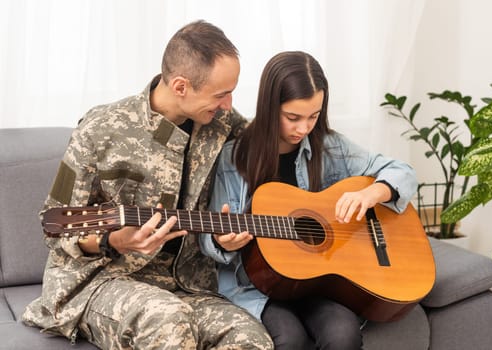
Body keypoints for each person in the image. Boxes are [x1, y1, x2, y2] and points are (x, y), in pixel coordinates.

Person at [22, 20, 273, 350]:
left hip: (185, 285)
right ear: (181, 86)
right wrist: (114, 240)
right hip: (101, 280)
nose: (228, 104)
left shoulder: (220, 122)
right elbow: (55, 223)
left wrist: (365, 187)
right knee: (168, 322)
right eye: (221, 94)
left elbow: (276, 141)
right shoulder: (101, 129)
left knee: (251, 338)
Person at [200, 51, 418, 349]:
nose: (303, 128)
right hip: (259, 286)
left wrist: (371, 193)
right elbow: (211, 240)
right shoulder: (234, 158)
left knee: (343, 334)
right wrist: (222, 243)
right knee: (289, 338)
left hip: (320, 283)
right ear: (269, 107)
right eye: (293, 117)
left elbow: (402, 172)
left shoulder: (330, 147)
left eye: (313, 116)